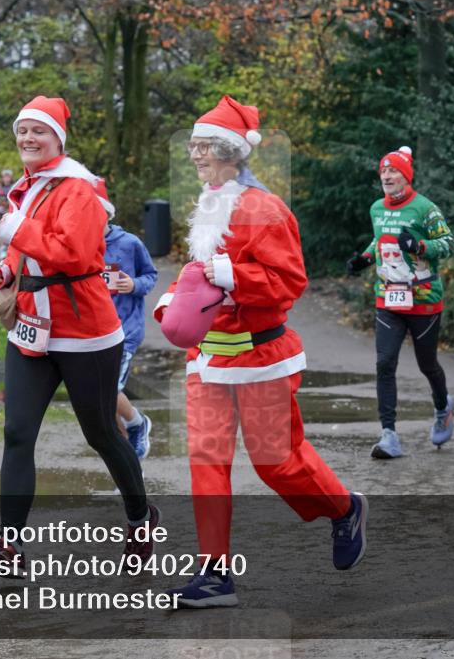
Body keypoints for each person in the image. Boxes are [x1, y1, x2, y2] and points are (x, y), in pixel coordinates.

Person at [155, 96, 366, 608]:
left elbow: (290, 283)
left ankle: (344, 508)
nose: (195, 155)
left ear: (231, 151)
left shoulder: (265, 208)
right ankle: (214, 574)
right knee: (206, 461)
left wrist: (231, 278)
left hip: (261, 358)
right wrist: (177, 300)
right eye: (193, 146)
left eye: (204, 146)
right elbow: (198, 274)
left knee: (277, 463)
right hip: (208, 360)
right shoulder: (209, 201)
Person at [0, 95, 157, 571]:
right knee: (16, 434)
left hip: (86, 331)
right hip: (32, 328)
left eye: (40, 132)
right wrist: (6, 271)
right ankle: (9, 548)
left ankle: (140, 518)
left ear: (58, 139)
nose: (28, 139)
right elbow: (28, 249)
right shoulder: (29, 187)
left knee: (101, 434)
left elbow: (73, 255)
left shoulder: (78, 189)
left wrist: (15, 232)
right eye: (23, 130)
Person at [346, 146, 454, 459]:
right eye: (383, 172)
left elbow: (448, 243)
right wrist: (364, 259)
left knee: (427, 364)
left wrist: (420, 245)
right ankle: (389, 435)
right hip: (388, 297)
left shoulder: (425, 208)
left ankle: (442, 407)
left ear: (406, 176)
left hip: (423, 300)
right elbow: (380, 239)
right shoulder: (376, 208)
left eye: (393, 171)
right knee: (384, 363)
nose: (387, 176)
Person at [98, 178, 158, 458]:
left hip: (125, 331)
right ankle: (128, 463)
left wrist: (133, 285)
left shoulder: (130, 243)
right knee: (101, 404)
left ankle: (137, 422)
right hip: (92, 332)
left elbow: (151, 276)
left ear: (107, 214)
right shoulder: (80, 246)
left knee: (109, 390)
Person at [0, 168, 15, 259]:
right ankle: (2, 249)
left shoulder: (14, 186)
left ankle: (9, 249)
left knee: (9, 230)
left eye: (8, 177)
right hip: (1, 210)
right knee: (1, 229)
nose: (6, 178)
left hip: (10, 210)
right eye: (5, 177)